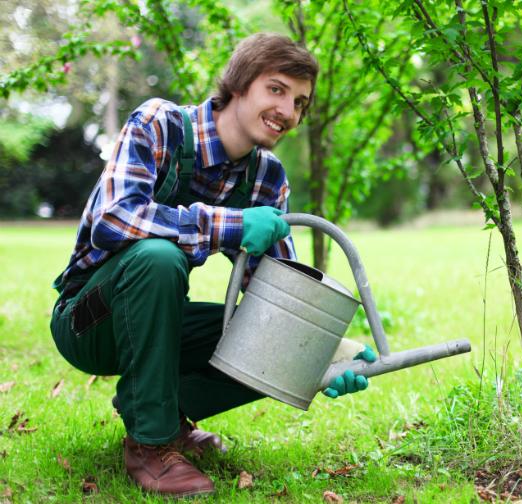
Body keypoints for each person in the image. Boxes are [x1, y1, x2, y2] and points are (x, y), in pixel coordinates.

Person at [49, 33, 374, 498]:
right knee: (158, 258)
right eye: (276, 89)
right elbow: (112, 220)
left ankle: (157, 409)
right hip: (88, 319)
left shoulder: (267, 176)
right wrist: (229, 224)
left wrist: (322, 352)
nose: (288, 111)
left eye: (300, 102)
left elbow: (276, 297)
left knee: (274, 338)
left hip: (154, 319)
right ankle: (150, 443)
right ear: (241, 83)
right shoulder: (159, 125)